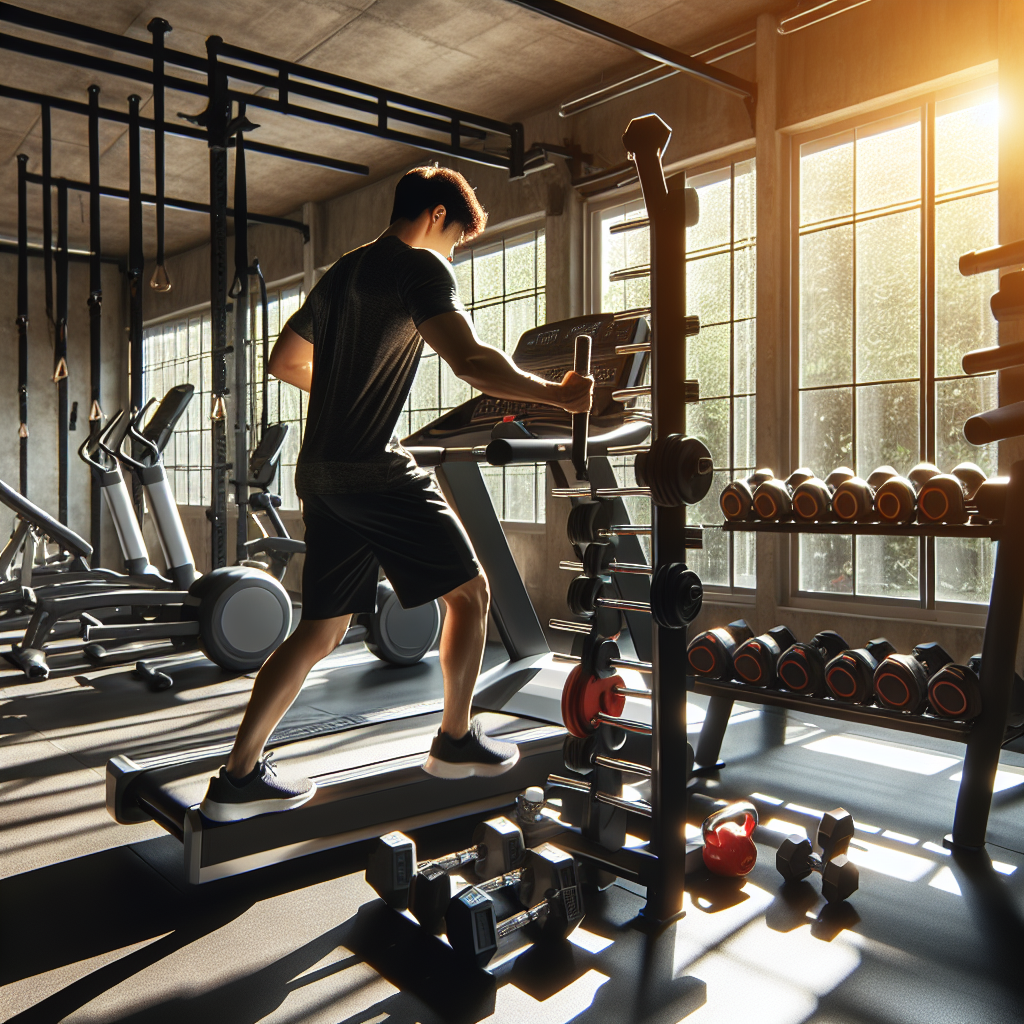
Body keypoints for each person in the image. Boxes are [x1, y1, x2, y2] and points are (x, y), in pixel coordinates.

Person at [199, 166, 593, 822]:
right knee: (471, 595)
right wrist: (556, 394)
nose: (454, 252)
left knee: (319, 631)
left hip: (321, 473)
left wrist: (346, 386)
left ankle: (236, 777)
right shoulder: (420, 268)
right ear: (437, 215)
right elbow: (469, 361)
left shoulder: (345, 272)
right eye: (459, 238)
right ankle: (454, 739)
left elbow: (284, 362)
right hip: (372, 471)